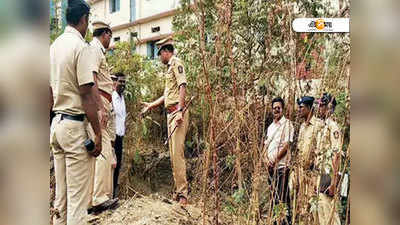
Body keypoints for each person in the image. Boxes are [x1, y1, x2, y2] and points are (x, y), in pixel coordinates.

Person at [50, 0, 102, 224]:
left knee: (60, 200)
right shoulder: (80, 47)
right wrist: (98, 134)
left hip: (57, 125)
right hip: (73, 126)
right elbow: (87, 94)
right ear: (84, 20)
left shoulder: (54, 46)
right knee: (78, 202)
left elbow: (47, 92)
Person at [141, 37, 190, 205]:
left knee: (177, 154)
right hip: (170, 114)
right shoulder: (169, 69)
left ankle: (183, 194)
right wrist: (151, 105)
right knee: (173, 156)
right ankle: (178, 191)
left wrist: (180, 111)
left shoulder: (176, 63)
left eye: (159, 54)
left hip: (177, 113)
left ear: (165, 52)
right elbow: (167, 94)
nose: (159, 57)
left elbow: (183, 86)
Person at [87, 20, 119, 214]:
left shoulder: (96, 50)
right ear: (105, 34)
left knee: (101, 150)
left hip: (101, 102)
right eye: (110, 35)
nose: (110, 40)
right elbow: (92, 78)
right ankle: (99, 198)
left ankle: (95, 198)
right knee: (103, 149)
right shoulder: (95, 50)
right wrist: (100, 107)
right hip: (99, 102)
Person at [289, 96, 323, 225]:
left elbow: (320, 150)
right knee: (296, 201)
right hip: (299, 171)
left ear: (309, 108)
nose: (299, 110)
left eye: (301, 107)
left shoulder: (319, 125)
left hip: (311, 173)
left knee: (308, 206)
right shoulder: (302, 126)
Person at [264, 97, 294, 225]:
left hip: (282, 168)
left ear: (282, 109)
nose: (276, 110)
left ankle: (285, 222)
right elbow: (266, 146)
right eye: (274, 108)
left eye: (278, 108)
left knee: (282, 198)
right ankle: (277, 221)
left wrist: (275, 160)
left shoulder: (287, 124)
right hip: (271, 169)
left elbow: (287, 145)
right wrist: (266, 160)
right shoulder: (270, 127)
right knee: (274, 198)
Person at [315, 93, 342, 225]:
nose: (319, 108)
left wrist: (333, 182)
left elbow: (336, 155)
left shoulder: (333, 127)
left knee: (330, 213)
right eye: (319, 105)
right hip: (320, 172)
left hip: (328, 174)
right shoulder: (322, 126)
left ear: (329, 107)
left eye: (322, 105)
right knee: (322, 212)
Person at [112, 72, 127, 198]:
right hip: (112, 138)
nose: (122, 84)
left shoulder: (122, 98)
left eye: (124, 82)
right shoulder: (112, 98)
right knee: (111, 166)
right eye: (120, 81)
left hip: (120, 138)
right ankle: (107, 196)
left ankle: (113, 196)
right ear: (114, 82)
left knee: (117, 166)